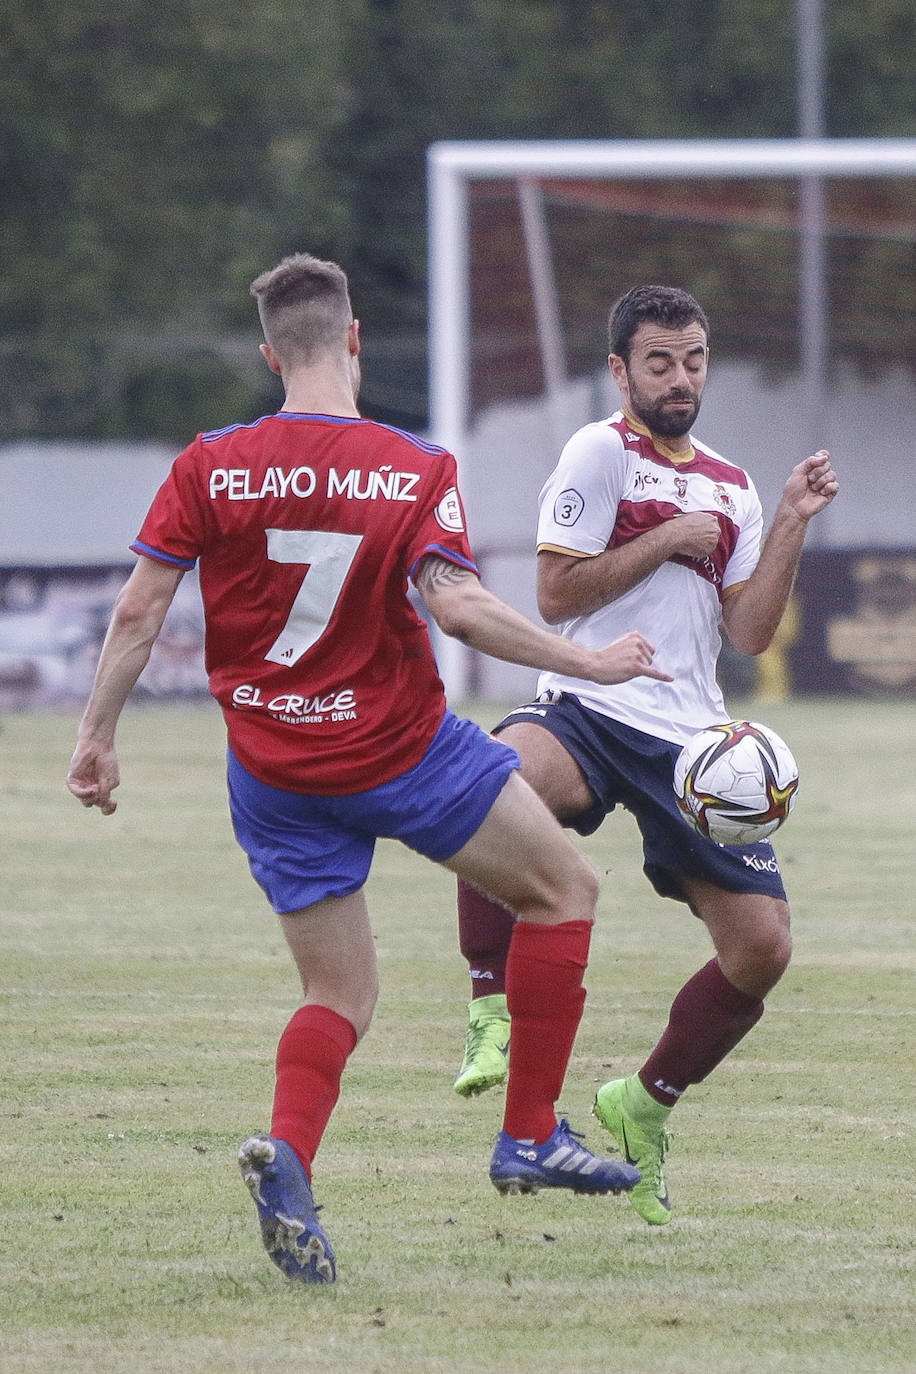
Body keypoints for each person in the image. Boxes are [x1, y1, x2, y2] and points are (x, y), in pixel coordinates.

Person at [66, 253, 675, 1284]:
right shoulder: (411, 467)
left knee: (338, 991)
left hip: (272, 770)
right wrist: (585, 658)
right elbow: (458, 606)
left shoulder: (209, 464)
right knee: (565, 890)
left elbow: (138, 612)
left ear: (270, 354)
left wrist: (96, 736)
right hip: (402, 752)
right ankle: (527, 1132)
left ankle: (291, 1160)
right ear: (354, 340)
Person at [452, 284, 838, 1228]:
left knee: (763, 948)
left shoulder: (733, 484)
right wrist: (668, 537)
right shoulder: (600, 451)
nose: (680, 378)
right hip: (588, 698)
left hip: (690, 742)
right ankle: (491, 1010)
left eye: (693, 359)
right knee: (495, 781)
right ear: (621, 369)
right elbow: (552, 594)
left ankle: (645, 1104)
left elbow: (748, 634)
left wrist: (786, 519)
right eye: (659, 361)